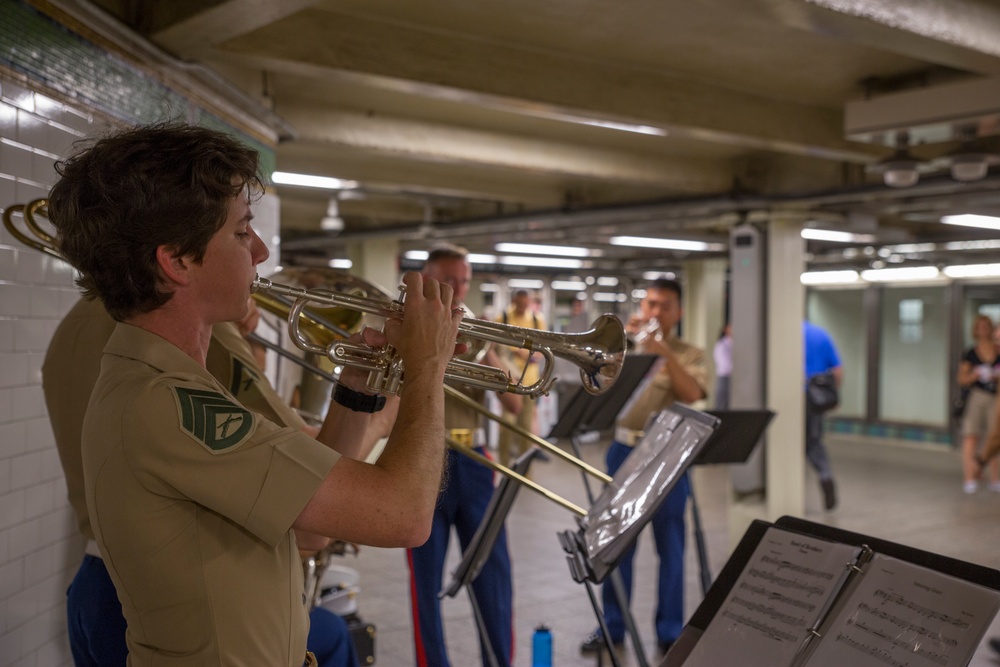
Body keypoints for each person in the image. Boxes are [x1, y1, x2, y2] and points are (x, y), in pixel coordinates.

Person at [46, 122, 462, 666]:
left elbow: (310, 520)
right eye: (242, 232)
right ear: (176, 261)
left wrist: (356, 391)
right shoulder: (168, 405)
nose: (262, 251)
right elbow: (405, 515)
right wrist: (428, 368)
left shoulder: (171, 384)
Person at [45, 296, 364, 667]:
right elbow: (314, 468)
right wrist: (382, 414)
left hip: (93, 586)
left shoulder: (71, 326)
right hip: (178, 601)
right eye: (240, 235)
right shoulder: (186, 326)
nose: (258, 254)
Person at [407, 243, 523, 667]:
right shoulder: (407, 327)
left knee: (493, 575)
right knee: (425, 582)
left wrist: (486, 348)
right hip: (424, 460)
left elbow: (514, 404)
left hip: (474, 462)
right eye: (448, 281)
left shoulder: (479, 329)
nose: (458, 290)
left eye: (464, 282)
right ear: (427, 279)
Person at [580, 278, 708, 658]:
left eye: (665, 306)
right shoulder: (624, 350)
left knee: (671, 547)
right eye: (651, 304)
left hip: (668, 455)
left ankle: (670, 630)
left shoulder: (690, 353)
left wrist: (663, 352)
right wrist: (629, 353)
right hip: (623, 450)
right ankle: (612, 626)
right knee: (616, 545)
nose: (655, 312)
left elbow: (693, 394)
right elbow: (597, 390)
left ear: (679, 312)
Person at [496, 288, 546, 466]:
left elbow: (543, 347)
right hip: (508, 380)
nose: (523, 306)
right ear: (514, 301)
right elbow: (496, 346)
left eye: (526, 303)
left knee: (526, 429)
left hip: (529, 380)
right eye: (520, 303)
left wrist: (534, 356)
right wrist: (518, 352)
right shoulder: (503, 317)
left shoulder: (536, 319)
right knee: (506, 427)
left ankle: (525, 472)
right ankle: (503, 466)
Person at [956, 314, 1000, 493]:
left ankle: (994, 477)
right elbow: (962, 378)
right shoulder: (971, 353)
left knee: (994, 437)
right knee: (971, 436)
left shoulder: (997, 351)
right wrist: (975, 375)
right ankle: (970, 477)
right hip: (977, 395)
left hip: (995, 397)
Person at [804, 321, 843, 511]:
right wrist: (833, 396)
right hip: (815, 400)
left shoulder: (781, 333)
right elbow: (837, 370)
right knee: (814, 442)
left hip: (789, 400)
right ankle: (825, 475)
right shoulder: (820, 334)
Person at [713, 323, 733, 410]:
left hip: (735, 379)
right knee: (722, 406)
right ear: (725, 329)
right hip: (725, 378)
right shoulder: (721, 345)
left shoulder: (734, 343)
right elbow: (725, 365)